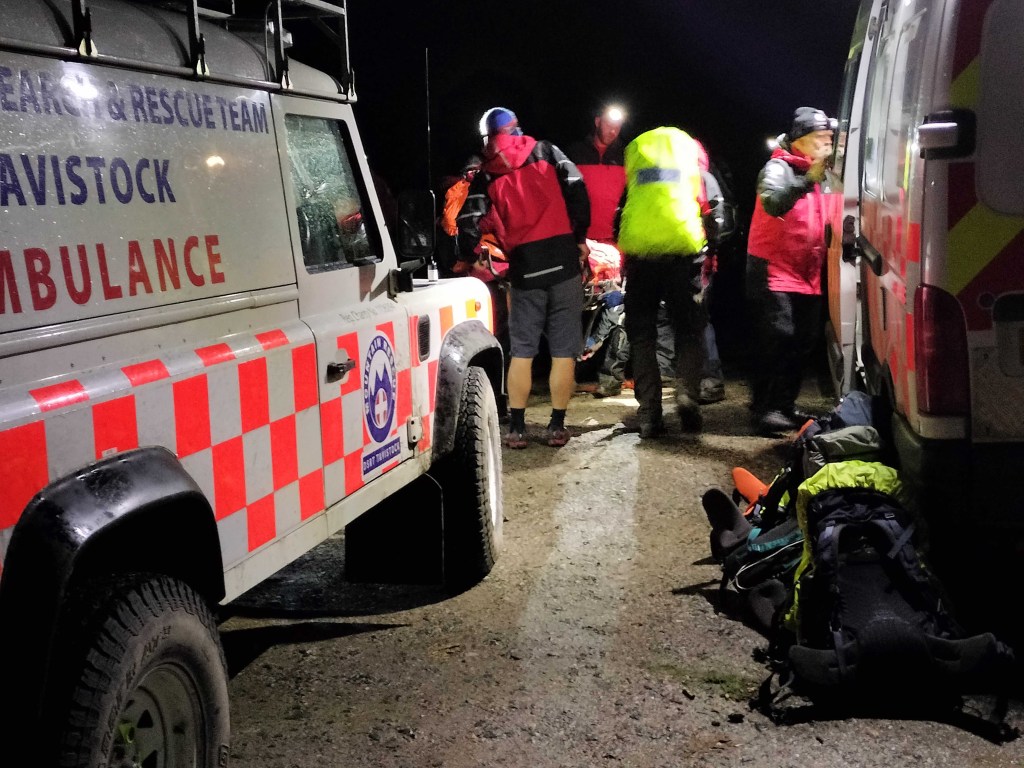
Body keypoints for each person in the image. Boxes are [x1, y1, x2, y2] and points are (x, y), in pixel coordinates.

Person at [457, 107, 591, 448]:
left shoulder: (486, 175)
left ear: (488, 138)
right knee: (563, 352)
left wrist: (467, 258)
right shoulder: (546, 151)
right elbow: (577, 189)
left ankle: (516, 429)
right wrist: (579, 237)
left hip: (524, 267)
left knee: (523, 352)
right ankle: (556, 427)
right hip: (563, 261)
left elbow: (468, 222)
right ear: (517, 129)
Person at [616, 126, 711, 437]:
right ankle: (686, 395)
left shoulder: (640, 177)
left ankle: (649, 415)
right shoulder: (693, 172)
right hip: (683, 258)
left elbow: (621, 215)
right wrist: (714, 248)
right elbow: (717, 212)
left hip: (641, 259)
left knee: (642, 335)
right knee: (688, 330)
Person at [746, 107, 834, 436]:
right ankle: (764, 409)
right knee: (778, 337)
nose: (826, 145)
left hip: (806, 271)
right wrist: (807, 180)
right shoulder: (777, 167)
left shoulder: (823, 173)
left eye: (829, 139)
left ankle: (784, 404)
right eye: (819, 139)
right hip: (773, 269)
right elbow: (773, 202)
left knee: (805, 339)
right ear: (799, 141)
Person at [566, 105, 627, 244]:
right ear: (597, 122)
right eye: (608, 125)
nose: (612, 131)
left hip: (614, 240)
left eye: (617, 127)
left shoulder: (625, 156)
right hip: (579, 240)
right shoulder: (574, 153)